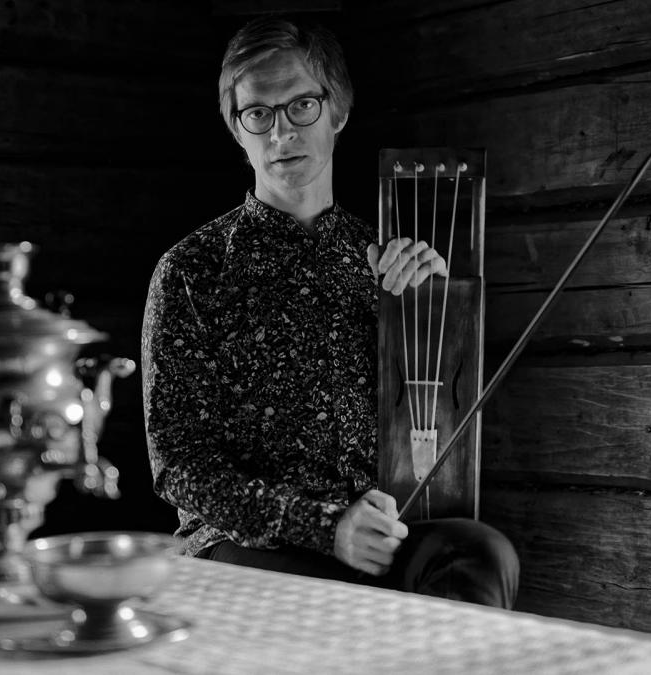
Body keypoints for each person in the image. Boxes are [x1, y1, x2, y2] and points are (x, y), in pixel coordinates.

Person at [141, 17, 519, 609]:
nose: (280, 132)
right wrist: (323, 528)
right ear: (237, 130)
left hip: (381, 531)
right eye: (257, 113)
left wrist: (440, 310)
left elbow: (440, 430)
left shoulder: (386, 263)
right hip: (248, 546)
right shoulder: (192, 270)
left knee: (478, 551)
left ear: (337, 111)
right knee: (311, 592)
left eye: (301, 106)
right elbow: (181, 467)